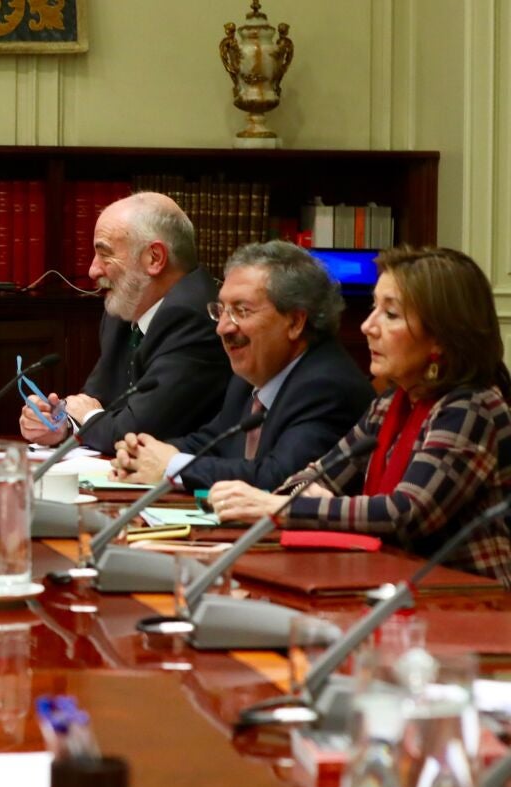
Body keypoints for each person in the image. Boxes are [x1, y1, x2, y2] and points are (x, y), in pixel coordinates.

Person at [210, 246, 511, 586]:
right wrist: (299, 498)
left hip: (469, 600)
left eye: (391, 314)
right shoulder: (389, 405)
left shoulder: (471, 408)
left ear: (441, 336)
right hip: (391, 588)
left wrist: (284, 507)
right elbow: (310, 478)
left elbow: (405, 513)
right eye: (373, 308)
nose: (368, 326)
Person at [111, 241, 373, 491]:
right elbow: (212, 444)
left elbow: (280, 479)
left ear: (295, 322)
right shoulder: (250, 376)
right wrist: (143, 454)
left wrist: (171, 466)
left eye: (241, 311)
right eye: (222, 310)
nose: (222, 328)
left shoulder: (326, 387)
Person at [19, 192, 230, 453]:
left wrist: (87, 418)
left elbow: (136, 432)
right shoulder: (124, 310)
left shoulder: (195, 317)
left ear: (154, 258)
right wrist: (60, 424)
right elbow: (94, 401)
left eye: (105, 254)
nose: (92, 270)